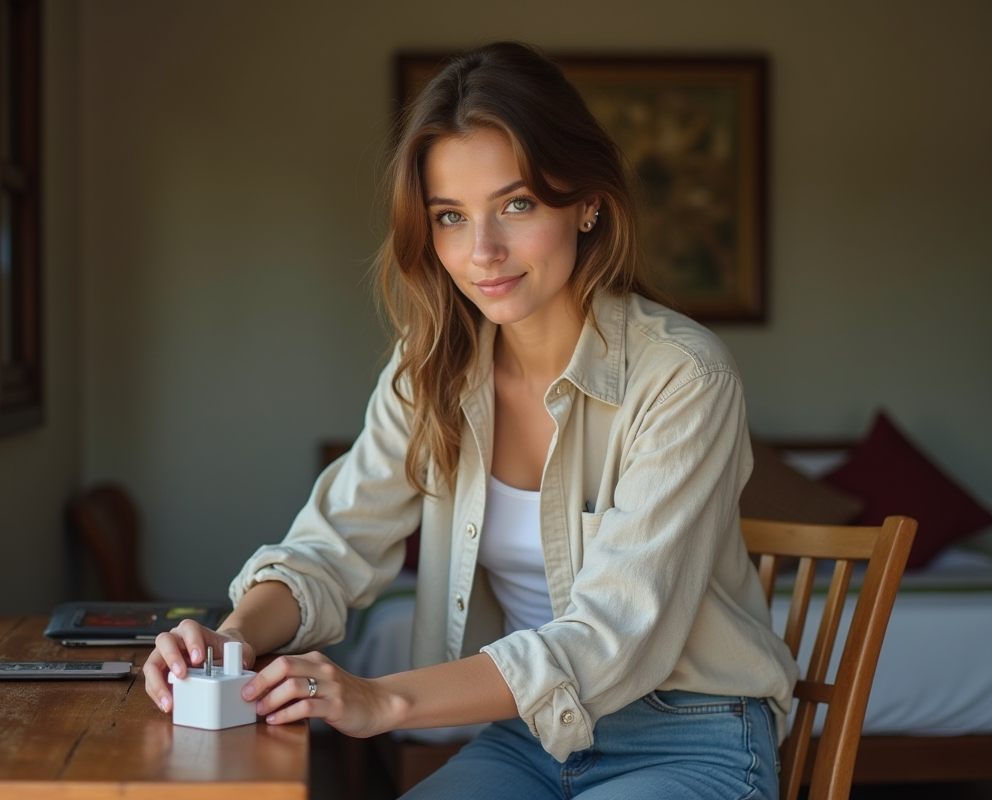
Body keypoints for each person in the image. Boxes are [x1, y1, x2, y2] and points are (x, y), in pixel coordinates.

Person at [144, 41, 798, 799]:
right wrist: (228, 644)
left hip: (690, 733)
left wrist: (382, 698)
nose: (482, 252)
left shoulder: (686, 375)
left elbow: (610, 635)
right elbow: (331, 549)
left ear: (587, 201)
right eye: (450, 217)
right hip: (530, 738)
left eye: (516, 205)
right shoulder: (431, 369)